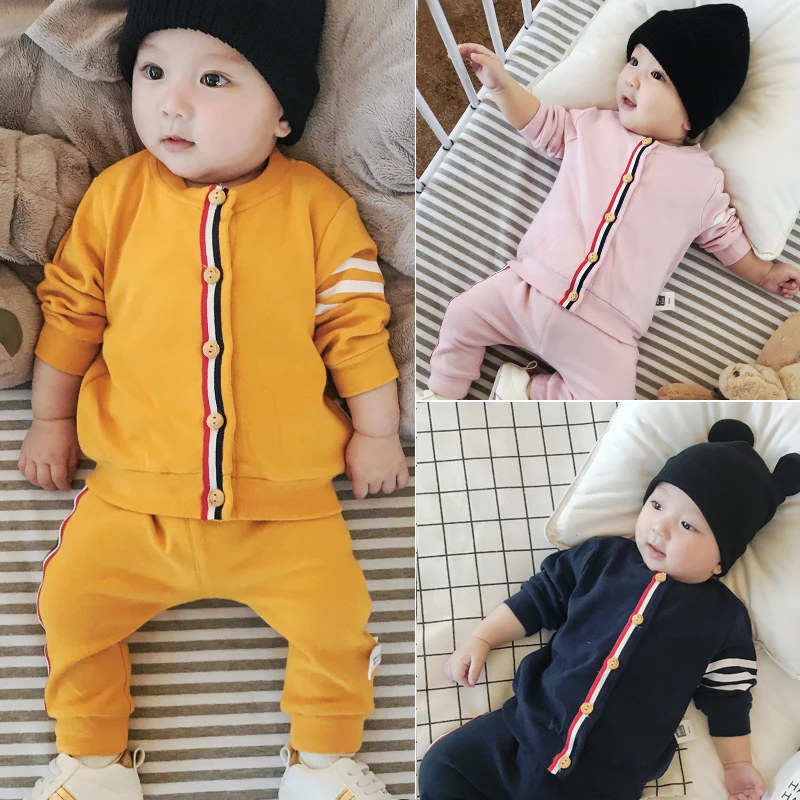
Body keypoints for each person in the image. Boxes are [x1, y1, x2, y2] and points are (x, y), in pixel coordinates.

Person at [17, 2, 408, 798]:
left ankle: (323, 761)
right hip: (133, 502)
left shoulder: (317, 208)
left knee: (339, 622)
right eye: (153, 72)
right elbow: (71, 313)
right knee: (69, 605)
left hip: (288, 511)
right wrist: (50, 419)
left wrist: (377, 431)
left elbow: (355, 327)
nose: (171, 103)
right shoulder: (116, 198)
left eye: (214, 80)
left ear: (282, 113)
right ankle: (91, 760)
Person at [424, 5, 800, 401]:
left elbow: (726, 237)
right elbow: (539, 121)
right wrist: (502, 87)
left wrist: (763, 273)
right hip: (528, 287)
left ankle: (526, 391)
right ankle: (443, 395)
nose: (632, 78)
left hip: (606, 329)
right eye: (634, 61)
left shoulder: (703, 181)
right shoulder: (590, 125)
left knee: (612, 402)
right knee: (462, 314)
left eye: (656, 75)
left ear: (692, 114)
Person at [419, 419, 800, 800]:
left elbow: (728, 696)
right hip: (527, 731)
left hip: (602, 781)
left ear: (721, 558)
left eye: (687, 525)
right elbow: (539, 597)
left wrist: (736, 764)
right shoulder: (603, 558)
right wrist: (483, 637)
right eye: (656, 505)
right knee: (443, 767)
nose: (660, 528)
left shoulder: (723, 618)